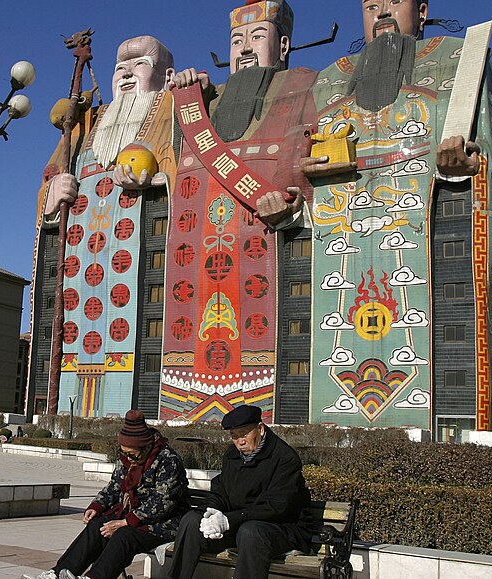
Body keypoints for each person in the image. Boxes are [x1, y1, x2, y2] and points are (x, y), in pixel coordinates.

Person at [305, 0, 492, 429]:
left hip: (426, 215)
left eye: (393, 1)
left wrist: (471, 162)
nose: (381, 12)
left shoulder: (461, 55)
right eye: (371, 5)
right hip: (346, 224)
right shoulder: (330, 78)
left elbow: (488, 146)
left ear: (420, 10)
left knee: (435, 330)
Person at [160, 0, 318, 422]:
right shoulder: (205, 97)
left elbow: (305, 147)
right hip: (197, 236)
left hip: (261, 237)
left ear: (283, 45)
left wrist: (289, 195)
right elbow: (165, 157)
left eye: (258, 37)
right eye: (236, 40)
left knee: (263, 332)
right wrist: (190, 94)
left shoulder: (303, 83)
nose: (245, 48)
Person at [32, 35, 176, 417]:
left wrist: (159, 181)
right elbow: (49, 178)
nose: (127, 74)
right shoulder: (86, 126)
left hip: (137, 265)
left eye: (140, 64)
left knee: (132, 344)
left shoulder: (174, 109)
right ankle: (64, 414)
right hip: (79, 269)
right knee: (70, 347)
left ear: (166, 75)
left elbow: (194, 169)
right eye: (119, 68)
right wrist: (51, 195)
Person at [24, 410, 190, 579]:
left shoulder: (168, 459)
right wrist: (97, 505)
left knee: (124, 536)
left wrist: (126, 522)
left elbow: (163, 502)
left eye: (132, 454)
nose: (128, 458)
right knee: (97, 526)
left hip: (165, 523)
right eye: (124, 453)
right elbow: (114, 486)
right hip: (133, 516)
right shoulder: (127, 458)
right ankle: (59, 574)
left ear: (146, 447)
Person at [169, 404, 310, 579]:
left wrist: (230, 520)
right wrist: (210, 514)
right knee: (192, 520)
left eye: (244, 434)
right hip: (238, 523)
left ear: (260, 429)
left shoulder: (285, 458)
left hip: (281, 528)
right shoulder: (232, 455)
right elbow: (222, 492)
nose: (239, 441)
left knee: (251, 532)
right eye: (234, 436)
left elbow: (276, 506)